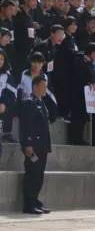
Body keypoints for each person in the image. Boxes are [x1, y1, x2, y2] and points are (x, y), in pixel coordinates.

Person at [19, 76, 54, 215]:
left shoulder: (42, 102)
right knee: (32, 174)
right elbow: (26, 125)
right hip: (33, 146)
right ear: (35, 87)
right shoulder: (29, 103)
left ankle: (35, 200)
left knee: (39, 175)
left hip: (42, 146)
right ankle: (28, 204)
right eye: (43, 86)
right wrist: (27, 144)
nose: (45, 89)